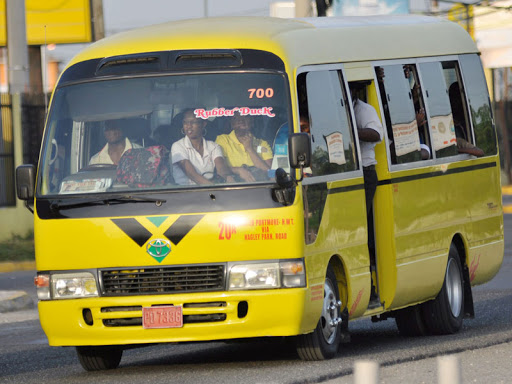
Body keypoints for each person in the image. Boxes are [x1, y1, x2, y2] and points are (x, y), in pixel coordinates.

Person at [171, 109, 236, 185]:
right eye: (185, 122)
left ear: (203, 124)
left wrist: (228, 177)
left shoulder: (213, 146)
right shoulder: (178, 146)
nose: (189, 126)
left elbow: (221, 168)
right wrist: (212, 187)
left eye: (193, 122)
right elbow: (193, 175)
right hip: (186, 191)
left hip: (210, 190)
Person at [215, 114, 273, 182]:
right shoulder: (223, 140)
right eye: (236, 118)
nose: (241, 120)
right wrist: (239, 170)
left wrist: (250, 149)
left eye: (245, 116)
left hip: (258, 186)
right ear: (232, 124)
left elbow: (271, 173)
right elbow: (220, 169)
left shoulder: (262, 144)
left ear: (252, 121)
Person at [448, 83, 484, 157]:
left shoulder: (470, 125)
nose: (455, 103)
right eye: (452, 99)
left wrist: (457, 151)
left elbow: (480, 152)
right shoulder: (446, 128)